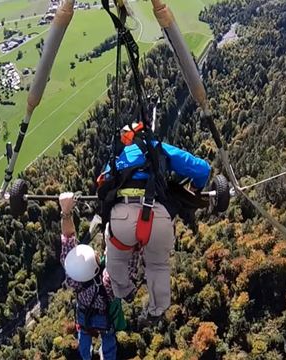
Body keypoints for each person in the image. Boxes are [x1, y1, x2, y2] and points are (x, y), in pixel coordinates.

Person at [98, 121, 211, 326]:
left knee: (114, 252)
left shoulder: (118, 158)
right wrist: (195, 189)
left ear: (128, 138)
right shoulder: (159, 149)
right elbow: (202, 169)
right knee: (158, 265)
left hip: (122, 217)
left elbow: (103, 185)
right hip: (157, 218)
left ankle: (124, 291)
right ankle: (157, 310)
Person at [58, 192, 138, 360]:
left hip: (85, 319)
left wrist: (66, 211)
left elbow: (68, 238)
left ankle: (86, 357)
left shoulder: (73, 276)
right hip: (104, 321)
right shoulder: (107, 282)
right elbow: (127, 262)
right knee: (108, 344)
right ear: (96, 267)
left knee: (84, 344)